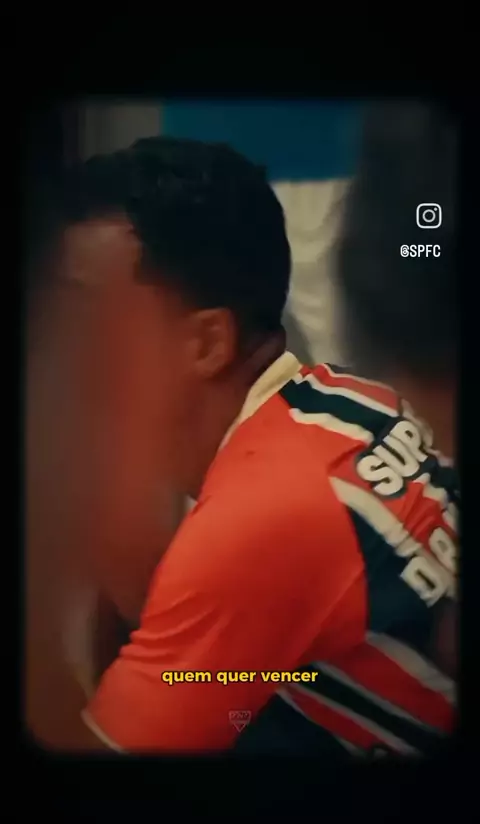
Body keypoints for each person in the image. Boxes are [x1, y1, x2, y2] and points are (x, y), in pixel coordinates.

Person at [26, 133, 456, 755]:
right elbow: (195, 633)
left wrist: (40, 575)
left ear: (206, 343)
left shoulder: (262, 519)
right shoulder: (344, 397)